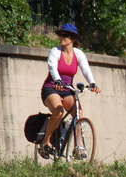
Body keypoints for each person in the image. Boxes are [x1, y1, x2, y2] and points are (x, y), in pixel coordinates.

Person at [38, 23, 101, 158]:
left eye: (65, 35)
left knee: (78, 113)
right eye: (61, 35)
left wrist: (92, 83)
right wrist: (57, 80)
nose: (62, 37)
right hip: (52, 88)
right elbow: (52, 67)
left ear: (72, 39)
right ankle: (45, 143)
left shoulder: (78, 54)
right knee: (59, 112)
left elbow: (86, 69)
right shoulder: (55, 51)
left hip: (67, 89)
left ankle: (78, 147)